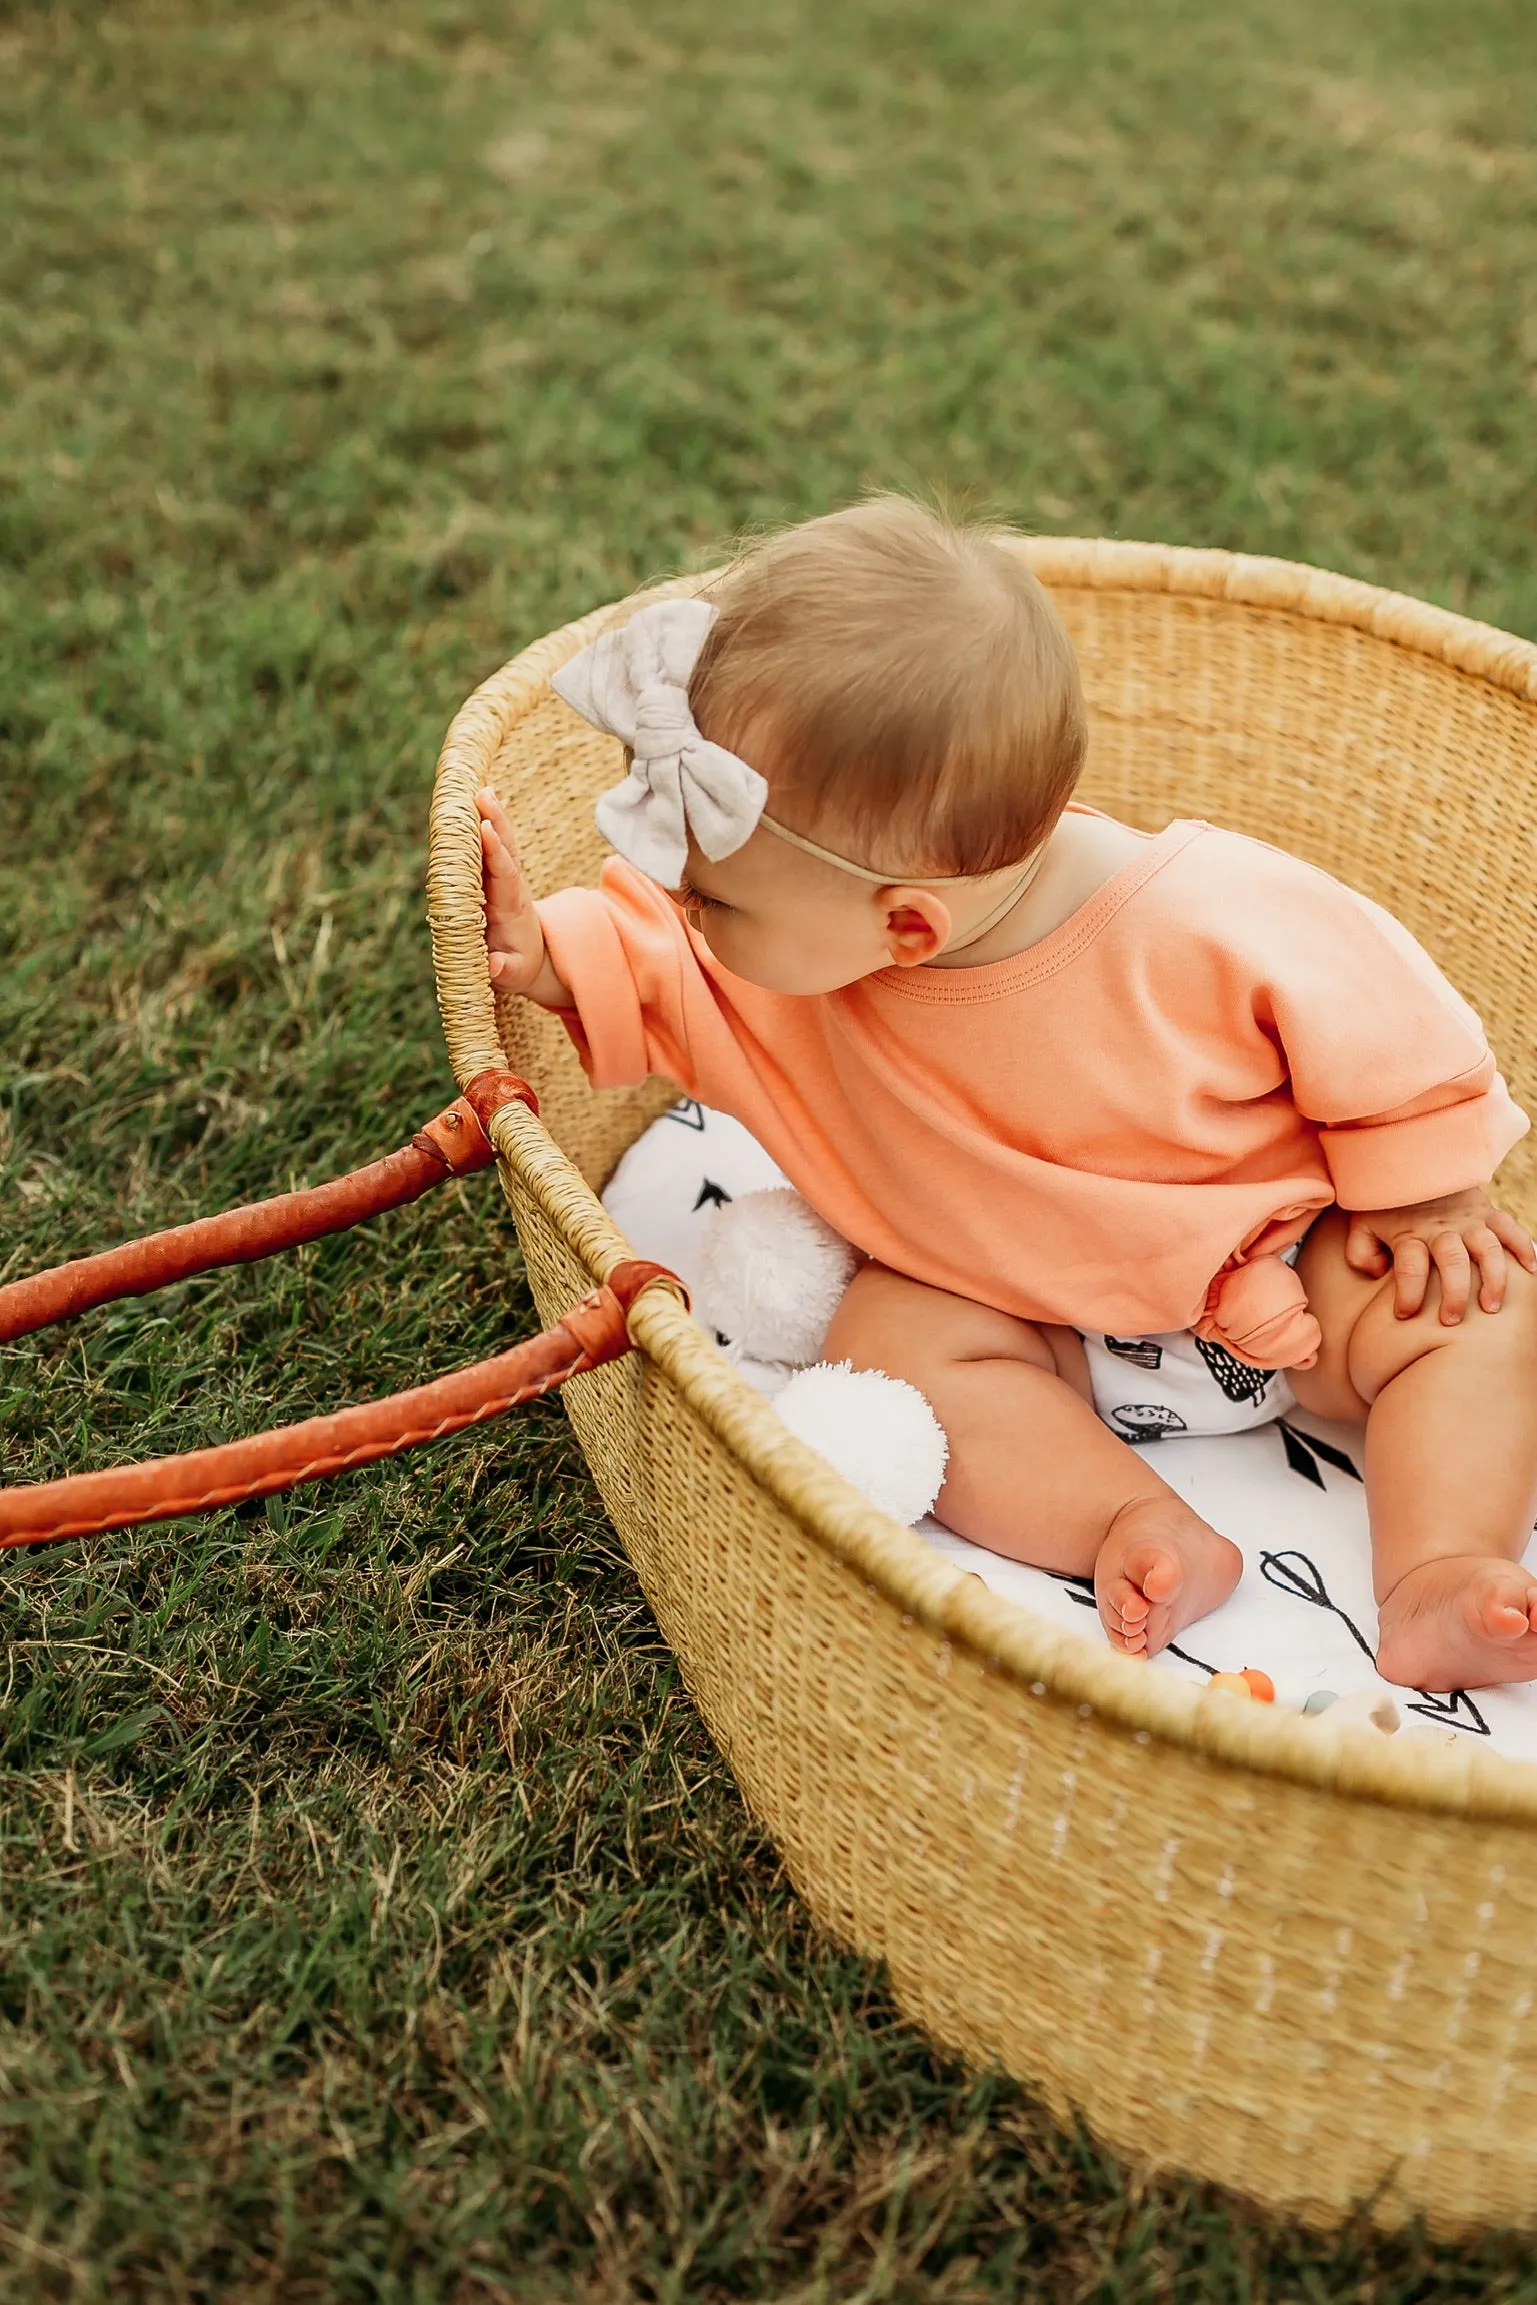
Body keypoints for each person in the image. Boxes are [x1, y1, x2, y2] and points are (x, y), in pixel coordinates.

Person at [475, 495, 1537, 1693]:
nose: (686, 914)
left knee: (1476, 1311)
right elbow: (652, 964)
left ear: (907, 926)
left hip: (1282, 1263)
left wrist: (1427, 1197)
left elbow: (1386, 1017)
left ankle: (1436, 1570)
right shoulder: (800, 955)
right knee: (891, 1349)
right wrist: (543, 955)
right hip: (1007, 1312)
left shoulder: (1202, 914)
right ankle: (1125, 1523)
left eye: (711, 899)